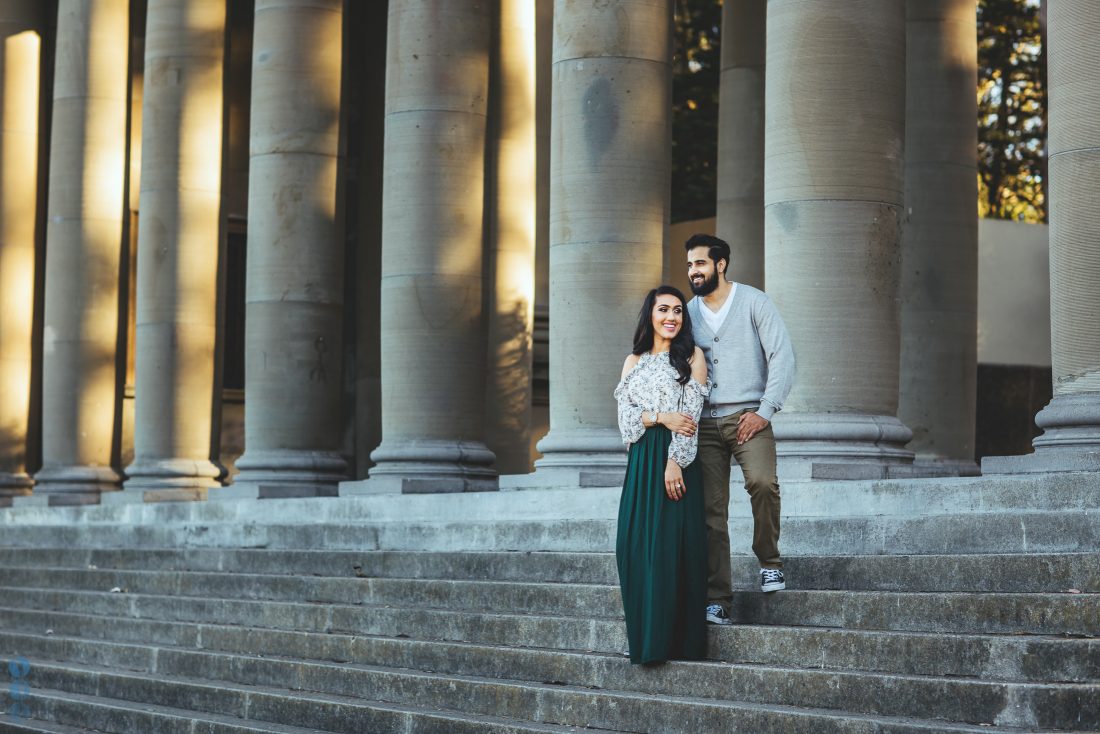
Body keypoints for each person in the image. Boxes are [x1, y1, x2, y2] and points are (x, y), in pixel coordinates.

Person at [683, 233, 795, 626]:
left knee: (763, 483)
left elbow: (782, 355)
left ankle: (770, 561)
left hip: (750, 416)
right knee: (711, 513)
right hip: (705, 424)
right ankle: (718, 598)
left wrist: (765, 410)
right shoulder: (687, 313)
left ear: (721, 263)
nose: (693, 271)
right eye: (690, 265)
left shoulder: (753, 302)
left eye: (700, 263)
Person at [614, 285, 710, 664]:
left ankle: (673, 643)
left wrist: (676, 462)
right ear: (650, 315)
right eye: (663, 310)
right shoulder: (633, 361)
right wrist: (659, 417)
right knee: (633, 546)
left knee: (669, 549)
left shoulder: (692, 357)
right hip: (640, 460)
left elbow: (691, 419)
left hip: (675, 459)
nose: (671, 317)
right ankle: (644, 638)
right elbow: (625, 422)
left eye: (678, 311)